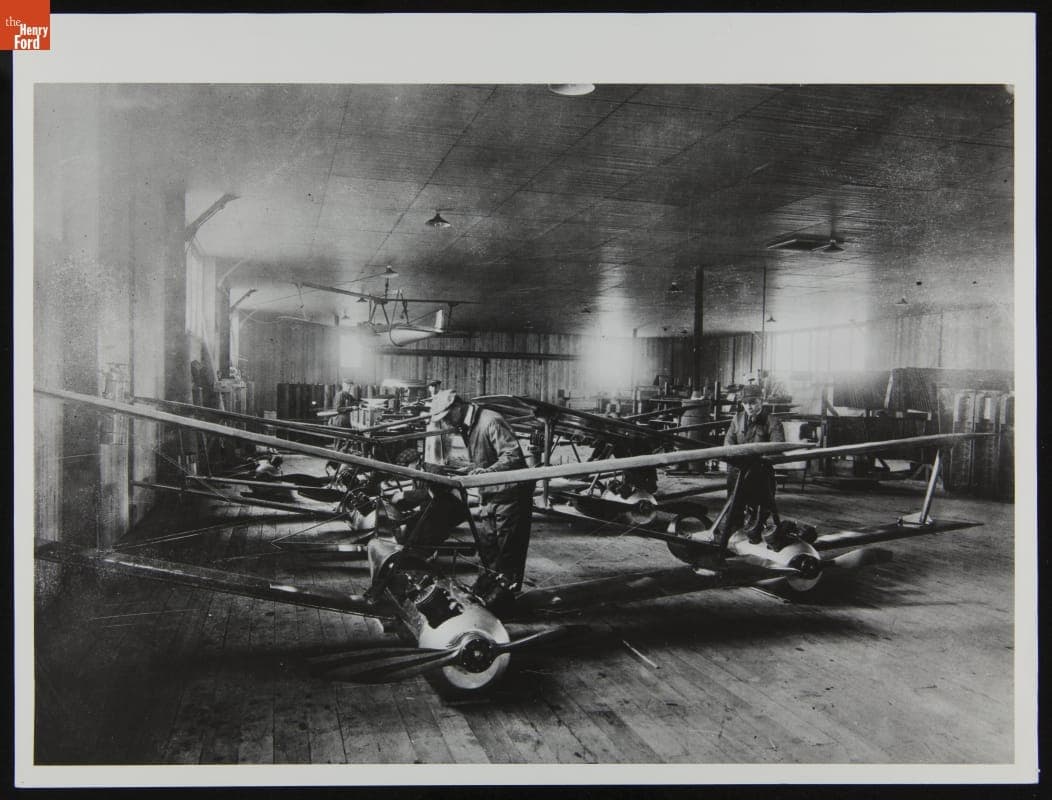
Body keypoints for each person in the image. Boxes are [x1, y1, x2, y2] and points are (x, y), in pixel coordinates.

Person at [430, 389, 534, 617]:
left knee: (508, 552)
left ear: (457, 407)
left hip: (511, 495)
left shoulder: (491, 420)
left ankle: (503, 604)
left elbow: (512, 456)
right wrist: (468, 469)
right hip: (490, 493)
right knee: (488, 548)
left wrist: (486, 471)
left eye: (447, 416)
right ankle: (484, 594)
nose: (447, 422)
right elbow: (486, 457)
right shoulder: (468, 426)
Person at [715, 383, 785, 553]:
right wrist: (733, 456)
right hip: (737, 472)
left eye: (753, 402)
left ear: (761, 401)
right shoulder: (737, 418)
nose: (749, 406)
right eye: (745, 403)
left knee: (761, 509)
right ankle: (728, 541)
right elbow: (728, 442)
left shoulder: (773, 421)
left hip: (760, 473)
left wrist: (759, 459)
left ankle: (757, 536)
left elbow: (778, 447)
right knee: (733, 507)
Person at [423, 379, 453, 470]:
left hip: (442, 425)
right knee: (431, 445)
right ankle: (431, 464)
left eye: (436, 386)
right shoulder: (427, 401)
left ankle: (441, 464)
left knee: (441, 445)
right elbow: (424, 414)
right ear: (429, 388)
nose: (434, 388)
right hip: (431, 425)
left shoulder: (443, 398)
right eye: (432, 386)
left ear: (439, 387)